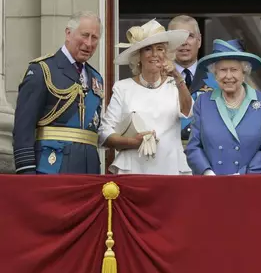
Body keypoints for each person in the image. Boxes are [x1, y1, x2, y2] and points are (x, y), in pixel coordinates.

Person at [12, 11, 104, 174]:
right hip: (52, 167)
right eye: (84, 35)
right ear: (68, 33)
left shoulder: (96, 78)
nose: (89, 43)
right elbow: (23, 127)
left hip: (89, 170)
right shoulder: (43, 70)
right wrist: (26, 172)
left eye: (94, 38)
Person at [98, 19, 193, 175]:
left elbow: (188, 110)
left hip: (171, 169)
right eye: (148, 49)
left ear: (166, 54)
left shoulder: (175, 84)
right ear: (138, 56)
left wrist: (177, 77)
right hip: (133, 170)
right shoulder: (123, 87)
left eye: (160, 49)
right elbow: (105, 134)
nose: (155, 54)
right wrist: (132, 142)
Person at [185, 39, 261, 175]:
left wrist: (244, 175)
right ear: (215, 74)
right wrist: (207, 173)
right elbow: (193, 146)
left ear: (244, 72)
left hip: (250, 183)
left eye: (234, 70)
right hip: (212, 183)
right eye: (222, 70)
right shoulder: (203, 102)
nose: (228, 76)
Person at [168, 15, 210, 143]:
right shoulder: (157, 79)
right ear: (168, 42)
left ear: (199, 40)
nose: (184, 42)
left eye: (190, 36)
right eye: (177, 37)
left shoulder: (217, 79)